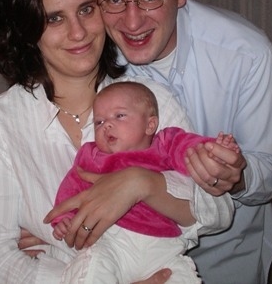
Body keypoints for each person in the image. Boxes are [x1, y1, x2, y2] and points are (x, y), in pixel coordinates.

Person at [0, 0, 233, 284]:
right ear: (28, 32)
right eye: (54, 18)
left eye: (86, 10)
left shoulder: (150, 99)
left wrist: (143, 184)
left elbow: (218, 212)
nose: (78, 32)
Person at [79, 0, 272, 284]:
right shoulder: (89, 56)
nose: (132, 22)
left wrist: (237, 176)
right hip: (125, 256)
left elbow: (271, 170)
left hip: (229, 257)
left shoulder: (246, 54)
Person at [51, 81, 238, 284]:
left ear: (150, 125)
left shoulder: (164, 144)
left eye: (119, 116)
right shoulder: (92, 156)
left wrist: (212, 153)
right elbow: (72, 188)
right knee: (91, 270)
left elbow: (189, 150)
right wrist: (65, 219)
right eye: (99, 122)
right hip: (112, 242)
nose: (107, 125)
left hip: (163, 246)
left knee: (181, 276)